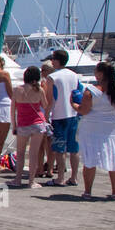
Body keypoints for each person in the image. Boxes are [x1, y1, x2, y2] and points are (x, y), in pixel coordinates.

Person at [76, 61, 115, 200]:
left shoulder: (91, 91)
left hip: (92, 129)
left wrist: (73, 104)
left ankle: (88, 191)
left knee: (90, 161)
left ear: (100, 74)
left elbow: (83, 110)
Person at [45, 49, 82, 187]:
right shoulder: (74, 75)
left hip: (59, 116)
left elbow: (50, 99)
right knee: (73, 148)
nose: (51, 62)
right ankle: (74, 177)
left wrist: (45, 116)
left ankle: (60, 178)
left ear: (56, 60)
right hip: (73, 114)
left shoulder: (52, 77)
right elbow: (78, 93)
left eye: (53, 59)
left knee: (59, 149)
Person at [11, 65, 53, 188]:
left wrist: (14, 126)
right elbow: (45, 107)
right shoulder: (39, 90)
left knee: (20, 152)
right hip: (38, 124)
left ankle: (18, 179)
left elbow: (13, 110)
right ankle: (31, 181)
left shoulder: (17, 90)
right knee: (34, 154)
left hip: (23, 124)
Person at [38, 60, 56, 178]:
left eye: (43, 70)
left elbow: (45, 101)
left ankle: (41, 169)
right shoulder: (53, 82)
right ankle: (49, 168)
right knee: (49, 144)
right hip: (50, 114)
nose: (41, 72)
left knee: (42, 144)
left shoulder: (45, 83)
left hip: (45, 114)